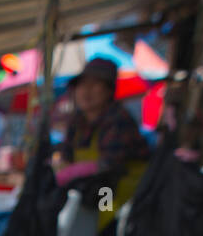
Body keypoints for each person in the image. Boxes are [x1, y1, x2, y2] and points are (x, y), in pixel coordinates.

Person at [56, 57, 150, 226]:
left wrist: (76, 170)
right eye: (82, 85)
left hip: (116, 191)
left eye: (95, 84)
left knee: (102, 221)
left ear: (108, 90)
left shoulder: (118, 119)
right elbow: (66, 156)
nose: (86, 91)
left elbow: (109, 166)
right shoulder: (77, 121)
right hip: (89, 191)